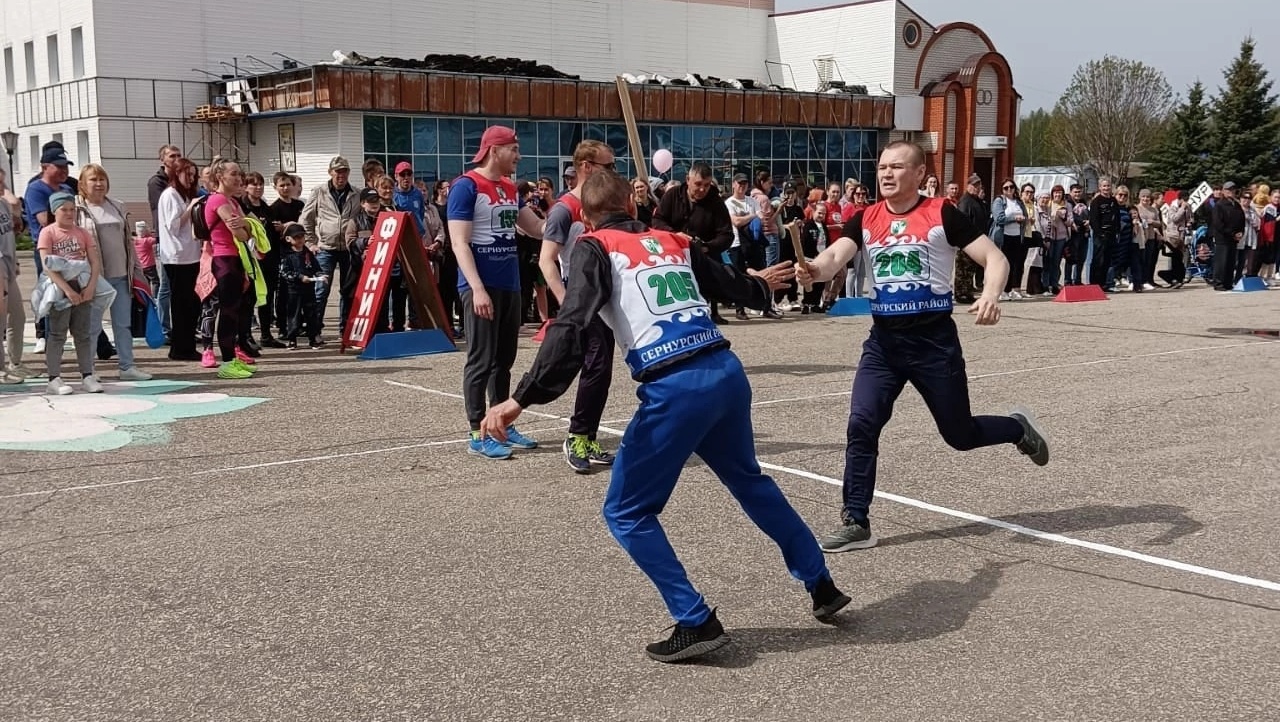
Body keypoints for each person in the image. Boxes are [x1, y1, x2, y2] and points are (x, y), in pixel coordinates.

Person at [481, 172, 851, 664]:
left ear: (586, 215)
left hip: (675, 386)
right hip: (725, 372)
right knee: (750, 482)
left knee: (626, 512)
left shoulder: (592, 246)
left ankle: (695, 620)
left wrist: (520, 398)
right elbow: (727, 282)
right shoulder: (675, 240)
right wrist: (761, 291)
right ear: (630, 205)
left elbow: (572, 325)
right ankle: (820, 584)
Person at [795, 141, 1051, 553]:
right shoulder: (865, 218)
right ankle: (856, 520)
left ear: (918, 174)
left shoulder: (941, 213)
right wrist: (811, 272)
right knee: (862, 424)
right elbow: (831, 260)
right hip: (884, 345)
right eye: (881, 167)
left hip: (933, 343)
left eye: (897, 167)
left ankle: (1017, 428)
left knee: (960, 435)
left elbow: (996, 259)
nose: (886, 174)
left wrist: (990, 295)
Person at [447, 125, 538, 459]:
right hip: (480, 286)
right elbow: (459, 242)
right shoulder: (466, 186)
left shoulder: (510, 189)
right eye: (513, 149)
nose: (518, 155)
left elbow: (537, 228)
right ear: (494, 150)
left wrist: (571, 212)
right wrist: (477, 289)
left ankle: (500, 423)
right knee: (481, 359)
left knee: (504, 360)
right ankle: (476, 431)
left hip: (509, 284)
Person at [538, 140, 618, 472]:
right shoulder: (564, 209)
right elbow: (546, 260)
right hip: (581, 297)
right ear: (586, 166)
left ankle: (587, 433)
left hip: (606, 297)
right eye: (607, 166)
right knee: (594, 364)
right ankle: (576, 435)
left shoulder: (604, 204)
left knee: (601, 369)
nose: (614, 172)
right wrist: (568, 303)